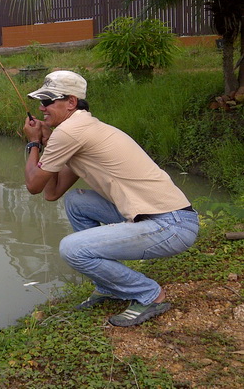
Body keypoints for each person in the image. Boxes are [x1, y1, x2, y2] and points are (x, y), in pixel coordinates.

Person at [22, 70, 199, 327]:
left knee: (72, 248)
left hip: (171, 225)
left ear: (71, 102)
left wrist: (33, 144)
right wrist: (47, 145)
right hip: (159, 217)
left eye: (48, 101)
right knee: (76, 201)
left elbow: (33, 186)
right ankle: (108, 286)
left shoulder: (70, 132)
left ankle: (150, 294)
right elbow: (53, 192)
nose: (41, 107)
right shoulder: (78, 129)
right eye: (41, 101)